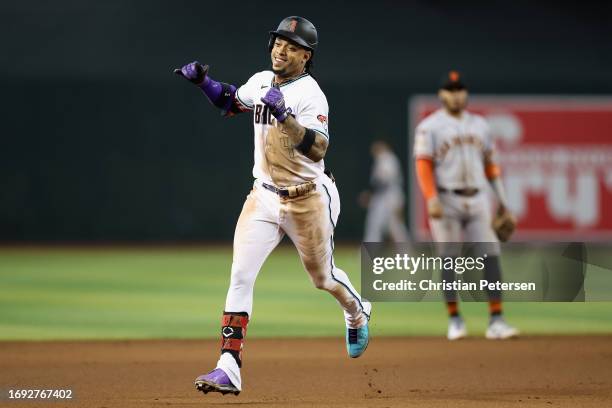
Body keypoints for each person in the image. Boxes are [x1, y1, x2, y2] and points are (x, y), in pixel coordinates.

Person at [174, 16, 371, 396]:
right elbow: (231, 102)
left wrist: (286, 117)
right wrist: (203, 83)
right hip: (263, 195)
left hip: (309, 197)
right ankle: (228, 367)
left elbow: (317, 147)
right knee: (240, 276)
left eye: (292, 46)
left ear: (305, 56)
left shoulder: (310, 94)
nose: (282, 49)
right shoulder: (262, 79)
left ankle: (356, 311)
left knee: (322, 277)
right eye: (279, 41)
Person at [413, 70, 519, 341]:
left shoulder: (480, 125)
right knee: (449, 258)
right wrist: (431, 198)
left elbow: (491, 167)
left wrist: (504, 203)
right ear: (441, 95)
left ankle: (497, 320)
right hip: (446, 199)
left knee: (491, 255)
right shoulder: (430, 126)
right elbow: (423, 164)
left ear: (466, 93)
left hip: (479, 198)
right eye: (450, 89)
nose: (456, 95)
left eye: (460, 89)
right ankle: (455, 320)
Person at [360, 140, 410, 243]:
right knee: (387, 226)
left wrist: (370, 194)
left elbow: (384, 181)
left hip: (389, 197)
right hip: (387, 196)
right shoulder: (386, 159)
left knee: (390, 226)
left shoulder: (386, 159)